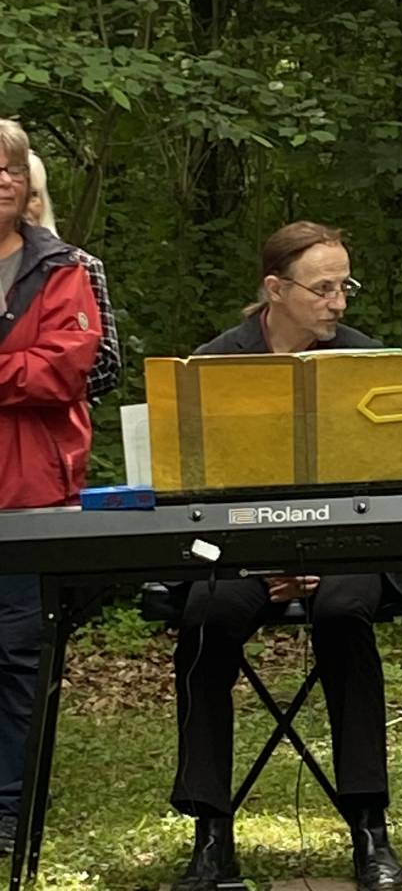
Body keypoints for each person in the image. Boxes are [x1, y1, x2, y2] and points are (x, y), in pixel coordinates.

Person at [170, 221, 402, 891]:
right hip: (242, 552)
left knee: (343, 611)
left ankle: (370, 829)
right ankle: (211, 835)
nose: (338, 303)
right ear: (274, 289)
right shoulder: (214, 364)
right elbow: (195, 490)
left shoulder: (369, 361)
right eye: (322, 288)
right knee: (206, 615)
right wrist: (264, 560)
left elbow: (391, 482)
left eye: (345, 287)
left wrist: (326, 556)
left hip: (346, 546)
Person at [0, 119, 101, 853]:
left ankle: (9, 812)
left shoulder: (64, 268)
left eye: (9, 166)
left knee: (18, 656)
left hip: (31, 489)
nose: (2, 178)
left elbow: (64, 368)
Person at [25, 152, 120, 401]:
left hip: (53, 426)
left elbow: (106, 365)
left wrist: (48, 386)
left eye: (32, 194)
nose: (21, 204)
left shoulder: (80, 267)